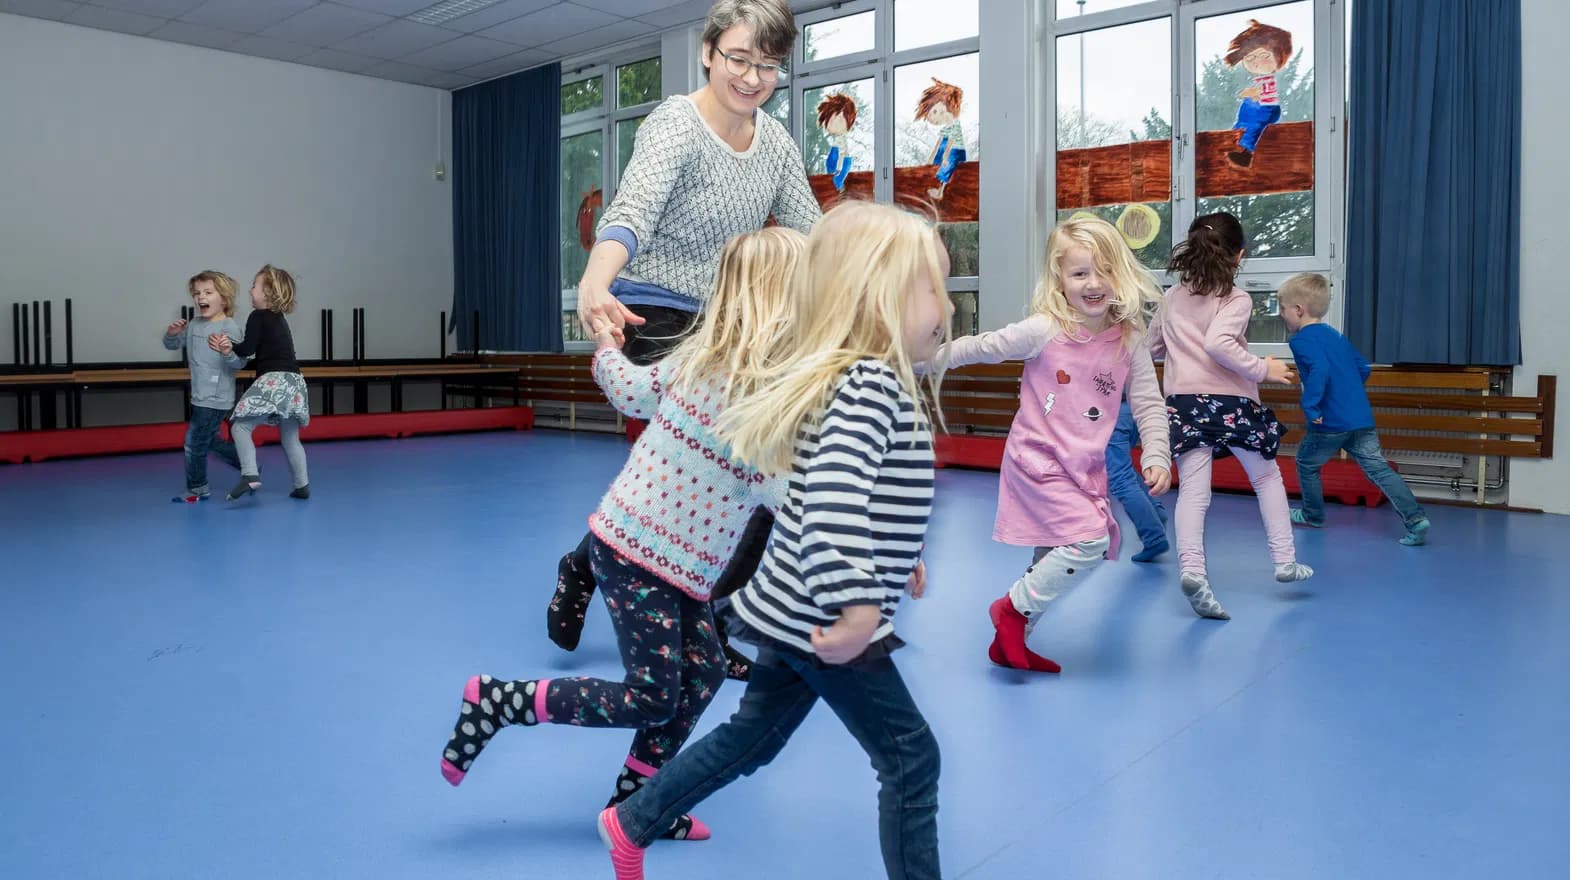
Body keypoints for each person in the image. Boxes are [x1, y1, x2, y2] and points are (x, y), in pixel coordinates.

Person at [598, 202, 951, 880]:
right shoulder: (871, 385)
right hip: (823, 615)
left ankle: (633, 819)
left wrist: (897, 554)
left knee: (754, 736)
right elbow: (828, 504)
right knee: (911, 757)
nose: (948, 305)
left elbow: (847, 491)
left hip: (792, 606)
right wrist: (858, 605)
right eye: (931, 286)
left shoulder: (857, 377)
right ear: (874, 299)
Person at [441, 228, 805, 845]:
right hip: (637, 554)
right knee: (651, 694)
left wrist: (609, 345)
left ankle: (636, 802)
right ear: (780, 304)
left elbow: (629, 390)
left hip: (677, 565)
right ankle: (501, 700)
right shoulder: (745, 387)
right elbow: (786, 494)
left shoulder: (713, 364)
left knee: (705, 672)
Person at [549, 0, 823, 681]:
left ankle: (703, 611)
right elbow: (632, 213)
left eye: (768, 65)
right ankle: (600, 571)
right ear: (708, 52)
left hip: (736, 325)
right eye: (739, 58)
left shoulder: (778, 144)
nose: (753, 77)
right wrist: (594, 282)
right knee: (710, 464)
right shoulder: (676, 123)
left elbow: (813, 235)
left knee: (743, 474)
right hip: (658, 315)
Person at [940, 216, 1171, 674]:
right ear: (1060, 280)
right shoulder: (1045, 328)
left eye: (1104, 270)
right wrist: (916, 358)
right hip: (1037, 461)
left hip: (1083, 467)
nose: (1093, 283)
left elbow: (1148, 401)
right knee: (1088, 540)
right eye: (1080, 273)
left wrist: (1159, 453)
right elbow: (980, 347)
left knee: (1050, 554)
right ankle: (1010, 610)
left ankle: (1010, 644)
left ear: (1120, 273)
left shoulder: (1129, 338)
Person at [1148, 213, 1312, 621]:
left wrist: (1175, 352)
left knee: (1193, 493)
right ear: (1239, 255)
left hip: (1184, 403)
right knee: (1266, 476)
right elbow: (1220, 343)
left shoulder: (1171, 297)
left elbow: (1151, 348)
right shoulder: (1235, 298)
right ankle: (1284, 561)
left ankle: (1192, 570)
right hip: (1232, 402)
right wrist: (1263, 369)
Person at [1279, 272, 1430, 545]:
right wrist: (1347, 393)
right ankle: (1416, 519)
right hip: (1360, 417)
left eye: (1282, 308)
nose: (1281, 314)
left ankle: (1313, 515)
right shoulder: (1335, 336)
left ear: (1298, 310)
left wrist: (1311, 407)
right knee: (1380, 469)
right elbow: (1361, 368)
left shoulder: (1300, 340)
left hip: (1329, 422)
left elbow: (1320, 369)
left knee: (1306, 463)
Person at [210, 265, 309, 502]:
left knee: (240, 427)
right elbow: (270, 356)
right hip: (293, 382)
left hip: (274, 380)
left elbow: (247, 349)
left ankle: (249, 474)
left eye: (254, 285)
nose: (250, 290)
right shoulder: (279, 319)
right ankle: (302, 485)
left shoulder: (258, 316)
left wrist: (228, 346)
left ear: (268, 293)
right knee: (290, 438)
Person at [163, 270, 245, 503]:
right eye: (197, 293)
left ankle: (198, 487)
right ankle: (248, 466)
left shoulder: (230, 329)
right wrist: (172, 334)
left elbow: (239, 362)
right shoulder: (194, 325)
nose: (201, 297)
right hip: (199, 394)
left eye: (208, 292)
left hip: (217, 397)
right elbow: (171, 345)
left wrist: (227, 351)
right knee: (208, 440)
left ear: (224, 299)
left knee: (193, 442)